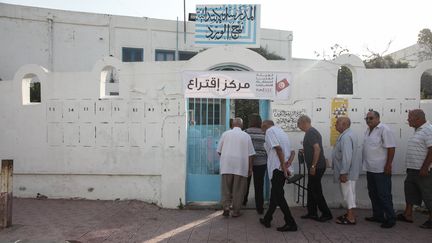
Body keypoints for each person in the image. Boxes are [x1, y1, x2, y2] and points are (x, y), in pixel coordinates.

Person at [259, 120, 297, 232]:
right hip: (281, 168)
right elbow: (293, 152)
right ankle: (267, 219)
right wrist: (288, 162)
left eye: (262, 128)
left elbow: (278, 149)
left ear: (265, 126)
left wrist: (283, 167)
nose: (262, 131)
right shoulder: (282, 132)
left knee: (279, 196)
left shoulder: (270, 131)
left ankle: (291, 223)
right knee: (275, 195)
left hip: (277, 168)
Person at [397, 109, 432, 229]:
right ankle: (408, 214)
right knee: (410, 191)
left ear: (418, 118)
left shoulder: (428, 130)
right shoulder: (418, 130)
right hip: (413, 169)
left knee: (428, 194)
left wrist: (425, 167)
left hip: (423, 170)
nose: (407, 120)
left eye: (409, 117)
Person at [362, 110, 397, 228]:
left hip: (381, 170)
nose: (368, 120)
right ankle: (378, 216)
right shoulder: (368, 130)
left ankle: (391, 218)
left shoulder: (384, 129)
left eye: (371, 118)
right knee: (373, 193)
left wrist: (388, 165)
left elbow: (391, 148)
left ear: (377, 118)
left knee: (384, 194)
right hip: (370, 168)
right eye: (366, 118)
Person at [217, 117, 255, 217]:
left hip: (226, 165)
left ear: (232, 124)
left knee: (226, 188)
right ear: (241, 125)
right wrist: (250, 168)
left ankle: (226, 207)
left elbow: (219, 151)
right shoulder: (246, 136)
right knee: (238, 189)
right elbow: (251, 154)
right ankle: (235, 211)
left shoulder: (225, 134)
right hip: (241, 166)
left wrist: (226, 159)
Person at [297, 115, 333, 222]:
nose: (298, 127)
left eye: (298, 125)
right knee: (311, 189)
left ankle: (326, 214)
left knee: (316, 191)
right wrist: (306, 151)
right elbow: (313, 148)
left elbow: (317, 149)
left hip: (316, 167)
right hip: (316, 166)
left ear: (303, 123)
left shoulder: (311, 132)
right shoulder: (311, 132)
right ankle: (312, 212)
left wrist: (313, 166)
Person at [332, 117, 361, 225]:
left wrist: (344, 172)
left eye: (337, 123)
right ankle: (350, 214)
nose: (335, 125)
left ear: (344, 124)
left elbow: (347, 156)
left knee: (348, 194)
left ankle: (350, 218)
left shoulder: (346, 137)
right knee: (350, 193)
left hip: (346, 173)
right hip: (349, 172)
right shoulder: (348, 135)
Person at [243, 114, 267, 214]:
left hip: (247, 161)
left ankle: (243, 201)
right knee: (259, 185)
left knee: (245, 183)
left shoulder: (245, 132)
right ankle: (259, 207)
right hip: (261, 162)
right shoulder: (264, 133)